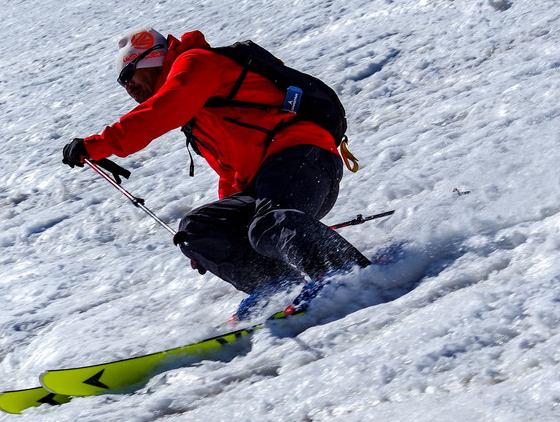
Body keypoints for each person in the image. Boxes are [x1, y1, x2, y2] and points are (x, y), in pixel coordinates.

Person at [62, 27, 368, 296]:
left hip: (303, 156)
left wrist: (98, 144)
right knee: (198, 230)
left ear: (153, 59)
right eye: (121, 82)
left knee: (269, 223)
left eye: (130, 74)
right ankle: (281, 291)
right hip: (267, 181)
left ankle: (352, 274)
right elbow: (230, 172)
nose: (127, 86)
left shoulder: (196, 63)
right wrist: (217, 242)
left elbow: (162, 110)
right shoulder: (197, 116)